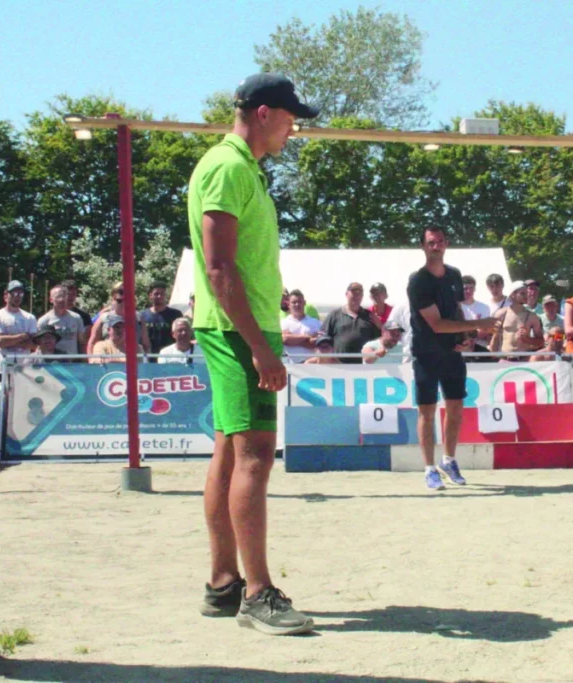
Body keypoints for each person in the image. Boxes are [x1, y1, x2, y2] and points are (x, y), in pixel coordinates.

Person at [188, 73, 318, 635]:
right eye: (291, 119)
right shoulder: (229, 167)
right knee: (256, 457)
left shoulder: (241, 167)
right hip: (237, 331)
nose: (294, 130)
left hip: (237, 327)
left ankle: (224, 583)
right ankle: (258, 594)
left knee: (228, 451)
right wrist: (262, 349)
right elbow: (219, 268)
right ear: (264, 113)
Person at [408, 226, 496, 490]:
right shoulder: (418, 281)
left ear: (446, 244)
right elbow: (436, 324)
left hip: (452, 352)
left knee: (456, 406)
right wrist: (480, 324)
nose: (436, 246)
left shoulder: (455, 275)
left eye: (440, 241)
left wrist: (466, 336)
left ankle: (449, 460)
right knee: (427, 410)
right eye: (431, 242)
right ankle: (429, 468)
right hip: (426, 352)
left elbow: (456, 310)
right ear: (423, 246)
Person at [321, 283, 381, 364]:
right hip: (339, 366)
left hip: (364, 367)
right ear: (346, 294)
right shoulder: (334, 315)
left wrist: (380, 326)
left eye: (359, 293)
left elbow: (380, 340)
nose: (356, 296)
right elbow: (323, 339)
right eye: (354, 292)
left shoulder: (370, 316)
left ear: (362, 296)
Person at [86, 281, 151, 355]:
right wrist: (91, 360)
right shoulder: (104, 317)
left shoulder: (138, 318)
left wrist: (146, 359)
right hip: (110, 359)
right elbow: (92, 343)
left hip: (133, 358)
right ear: (113, 297)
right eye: (121, 292)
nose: (124, 302)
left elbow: (146, 344)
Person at [0, 280, 38, 372]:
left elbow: (34, 344)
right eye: (14, 293)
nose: (17, 297)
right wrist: (22, 336)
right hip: (3, 366)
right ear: (6, 295)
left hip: (24, 367)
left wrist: (8, 340)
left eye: (20, 294)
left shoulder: (30, 318)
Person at [489, 281, 544, 358]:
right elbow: (494, 338)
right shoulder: (501, 314)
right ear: (513, 295)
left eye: (526, 293)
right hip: (505, 359)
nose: (526, 296)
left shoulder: (532, 317)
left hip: (524, 359)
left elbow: (541, 342)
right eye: (522, 293)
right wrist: (492, 356)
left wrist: (527, 339)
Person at [37, 285, 87, 355]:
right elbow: (39, 345)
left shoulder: (76, 318)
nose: (62, 299)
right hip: (53, 360)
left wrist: (84, 359)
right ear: (51, 300)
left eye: (64, 296)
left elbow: (82, 342)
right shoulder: (44, 321)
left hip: (72, 359)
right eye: (58, 296)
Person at [280, 289, 321, 363]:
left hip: (311, 364)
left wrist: (292, 339)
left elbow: (317, 343)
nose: (297, 304)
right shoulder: (283, 323)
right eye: (294, 302)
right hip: (291, 365)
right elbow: (285, 339)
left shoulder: (316, 323)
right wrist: (308, 337)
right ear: (288, 304)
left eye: (300, 302)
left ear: (304, 303)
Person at [141, 282, 183, 354]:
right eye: (156, 294)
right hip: (148, 356)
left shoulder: (176, 314)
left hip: (170, 355)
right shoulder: (142, 316)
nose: (159, 296)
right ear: (150, 296)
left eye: (162, 294)